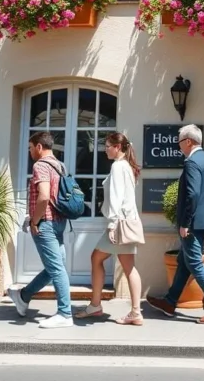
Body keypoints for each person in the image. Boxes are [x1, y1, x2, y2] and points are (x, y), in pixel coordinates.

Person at [146, 124, 204, 324]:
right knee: (184, 262)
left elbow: (192, 194)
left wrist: (185, 223)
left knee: (193, 262)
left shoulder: (192, 162)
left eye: (180, 142)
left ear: (189, 141)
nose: (178, 146)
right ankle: (170, 301)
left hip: (192, 223)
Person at [74, 132, 144, 325]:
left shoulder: (118, 167)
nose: (105, 149)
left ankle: (98, 306)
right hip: (126, 221)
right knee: (127, 266)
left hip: (119, 223)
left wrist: (112, 225)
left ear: (118, 147)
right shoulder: (128, 167)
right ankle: (130, 310)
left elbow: (116, 198)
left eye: (107, 146)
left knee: (98, 259)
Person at [7, 132, 73, 329]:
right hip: (60, 222)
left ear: (39, 147)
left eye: (29, 147)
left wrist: (34, 222)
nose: (29, 152)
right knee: (56, 266)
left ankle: (64, 313)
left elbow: (44, 196)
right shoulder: (60, 166)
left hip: (46, 223)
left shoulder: (41, 166)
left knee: (57, 268)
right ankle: (23, 295)